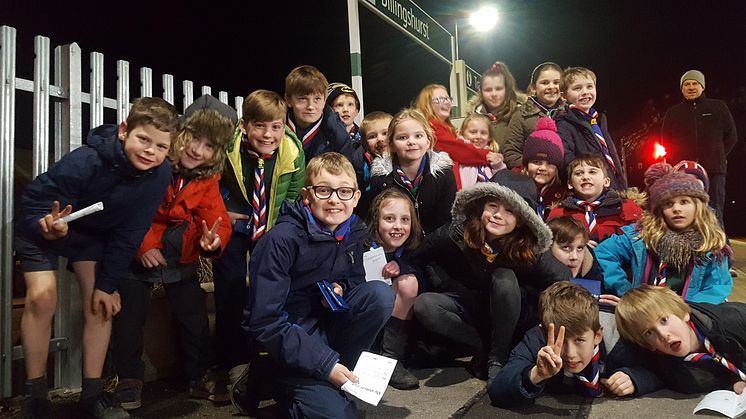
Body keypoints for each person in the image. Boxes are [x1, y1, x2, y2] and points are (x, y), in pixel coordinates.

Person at [15, 97, 180, 419]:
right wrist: (44, 226)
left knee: (101, 301)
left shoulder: (159, 176)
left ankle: (92, 396)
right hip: (43, 226)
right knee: (42, 298)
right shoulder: (87, 160)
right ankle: (34, 397)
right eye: (143, 139)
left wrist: (107, 284)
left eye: (161, 146)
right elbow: (33, 203)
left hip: (91, 236)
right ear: (123, 131)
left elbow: (131, 233)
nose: (150, 151)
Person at [239, 152, 395, 418]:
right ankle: (268, 378)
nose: (334, 200)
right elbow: (265, 322)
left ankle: (327, 381)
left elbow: (356, 278)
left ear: (356, 197)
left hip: (326, 325)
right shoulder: (280, 241)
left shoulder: (354, 230)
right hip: (289, 338)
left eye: (344, 191)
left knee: (379, 295)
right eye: (323, 190)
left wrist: (341, 288)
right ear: (306, 195)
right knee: (339, 416)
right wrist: (325, 365)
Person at [110, 99, 235, 410]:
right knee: (129, 316)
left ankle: (197, 376)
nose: (197, 150)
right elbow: (128, 208)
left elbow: (215, 215)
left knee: (194, 317)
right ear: (180, 133)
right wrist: (142, 245)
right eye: (193, 137)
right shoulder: (153, 162)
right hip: (138, 249)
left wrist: (213, 241)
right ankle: (129, 379)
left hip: (181, 251)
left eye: (209, 146)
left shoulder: (208, 178)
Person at [412, 181, 571, 385]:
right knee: (425, 305)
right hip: (468, 307)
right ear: (482, 207)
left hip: (511, 315)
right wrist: (443, 282)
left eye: (509, 211)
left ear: (521, 220)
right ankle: (480, 347)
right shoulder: (455, 232)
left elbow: (562, 280)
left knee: (504, 277)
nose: (498, 215)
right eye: (492, 206)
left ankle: (498, 358)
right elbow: (420, 257)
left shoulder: (529, 247)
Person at [212, 90, 305, 382]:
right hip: (235, 226)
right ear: (244, 126)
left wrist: (278, 233)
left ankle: (264, 357)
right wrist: (221, 212)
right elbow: (209, 183)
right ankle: (230, 362)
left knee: (268, 291)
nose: (268, 134)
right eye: (259, 126)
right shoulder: (228, 148)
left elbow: (293, 197)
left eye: (275, 127)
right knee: (230, 290)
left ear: (284, 126)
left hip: (272, 227)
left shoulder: (293, 151)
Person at [489, 281, 660, 408]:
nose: (570, 354)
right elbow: (497, 390)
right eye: (561, 341)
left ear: (597, 335)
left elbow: (664, 368)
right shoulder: (537, 339)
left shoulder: (617, 339)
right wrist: (536, 374)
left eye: (579, 340)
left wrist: (636, 378)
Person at [595, 162, 732, 304]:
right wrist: (627, 293)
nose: (676, 209)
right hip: (643, 314)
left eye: (684, 202)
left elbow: (716, 287)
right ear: (660, 210)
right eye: (668, 204)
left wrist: (684, 313)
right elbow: (603, 253)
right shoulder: (641, 236)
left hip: (687, 318)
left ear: (698, 206)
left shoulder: (712, 244)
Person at [616, 286, 746, 394]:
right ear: (649, 345)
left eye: (664, 320)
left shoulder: (732, 321)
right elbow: (656, 375)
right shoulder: (668, 366)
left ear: (684, 314)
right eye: (649, 332)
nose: (663, 334)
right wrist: (732, 383)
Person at [661, 70, 738, 226]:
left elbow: (732, 136)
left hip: (714, 171)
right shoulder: (673, 113)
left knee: (714, 211)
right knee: (686, 212)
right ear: (681, 89)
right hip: (684, 173)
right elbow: (666, 140)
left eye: (695, 83)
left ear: (702, 86)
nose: (691, 87)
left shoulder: (718, 107)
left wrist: (719, 156)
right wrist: (678, 162)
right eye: (687, 84)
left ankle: (718, 249)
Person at [363, 108, 457, 235]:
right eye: (402, 137)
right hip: (396, 244)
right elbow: (377, 222)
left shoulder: (443, 173)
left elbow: (447, 221)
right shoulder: (380, 178)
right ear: (391, 145)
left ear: (428, 141)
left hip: (435, 245)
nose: (411, 142)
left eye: (418, 136)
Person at [367, 188, 423, 390]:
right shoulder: (359, 245)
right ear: (376, 220)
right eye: (389, 219)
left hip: (393, 326)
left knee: (409, 282)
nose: (398, 226)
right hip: (358, 322)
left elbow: (426, 279)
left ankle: (391, 359)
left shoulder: (413, 250)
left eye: (405, 220)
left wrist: (402, 266)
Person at [555, 67, 627, 191]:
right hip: (591, 190)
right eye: (577, 88)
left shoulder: (599, 120)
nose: (585, 92)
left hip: (612, 186)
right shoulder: (563, 124)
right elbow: (568, 161)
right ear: (564, 96)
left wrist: (622, 186)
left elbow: (611, 157)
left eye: (589, 87)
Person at [547, 154, 643, 247]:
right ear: (570, 184)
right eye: (578, 173)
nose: (585, 177)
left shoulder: (628, 209)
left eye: (592, 172)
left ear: (606, 182)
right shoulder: (558, 214)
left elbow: (639, 246)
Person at [414, 83, 502, 172]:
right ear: (427, 104)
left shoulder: (446, 128)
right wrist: (488, 155)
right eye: (440, 99)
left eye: (448, 99)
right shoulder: (431, 127)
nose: (447, 102)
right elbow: (460, 151)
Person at [284, 65, 354, 164]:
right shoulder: (275, 127)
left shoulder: (338, 134)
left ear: (324, 100)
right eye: (303, 99)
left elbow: (350, 174)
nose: (310, 106)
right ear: (288, 100)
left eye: (317, 99)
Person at [504, 62, 563, 169]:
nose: (551, 87)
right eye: (544, 83)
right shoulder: (521, 115)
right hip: (533, 178)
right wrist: (533, 169)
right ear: (533, 87)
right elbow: (511, 152)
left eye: (556, 82)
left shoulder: (569, 114)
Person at [517, 117, 566, 220]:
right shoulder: (514, 185)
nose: (543, 168)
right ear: (526, 164)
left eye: (550, 163)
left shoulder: (563, 193)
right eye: (536, 162)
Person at [467, 61, 522, 150]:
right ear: (481, 92)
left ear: (506, 89)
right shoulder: (473, 118)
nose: (494, 94)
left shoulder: (520, 115)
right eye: (488, 90)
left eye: (498, 89)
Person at [455, 113, 506, 190]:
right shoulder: (457, 153)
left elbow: (503, 183)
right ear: (462, 133)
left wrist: (498, 166)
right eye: (473, 132)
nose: (478, 136)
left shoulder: (492, 155)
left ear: (489, 137)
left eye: (483, 133)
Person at [547, 216, 603, 280]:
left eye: (579, 248)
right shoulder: (534, 285)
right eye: (566, 247)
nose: (574, 257)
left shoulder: (594, 283)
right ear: (548, 248)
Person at [353, 111, 392, 195]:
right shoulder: (362, 164)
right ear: (365, 143)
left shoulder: (403, 159)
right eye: (372, 136)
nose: (380, 139)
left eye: (385, 133)